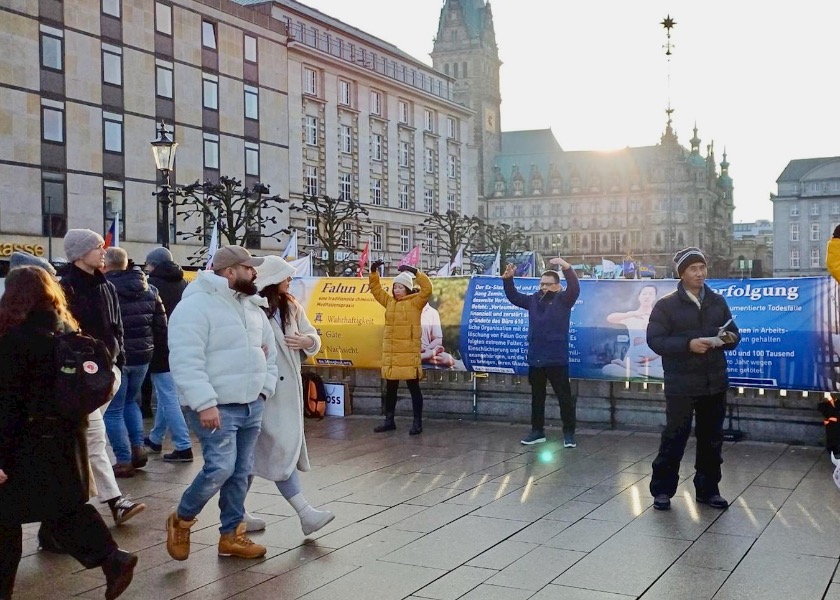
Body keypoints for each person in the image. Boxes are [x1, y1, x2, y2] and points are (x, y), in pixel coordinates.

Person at [0, 267, 137, 600]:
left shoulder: (12, 341)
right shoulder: (64, 332)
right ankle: (112, 558)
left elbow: (7, 406)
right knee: (61, 508)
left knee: (8, 518)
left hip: (23, 444)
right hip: (65, 438)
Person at [166, 245, 278, 561]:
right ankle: (182, 519)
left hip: (251, 403)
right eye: (248, 267)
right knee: (220, 468)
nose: (254, 273)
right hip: (216, 406)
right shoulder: (195, 306)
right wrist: (204, 403)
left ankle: (232, 535)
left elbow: (269, 353)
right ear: (230, 271)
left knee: (241, 472)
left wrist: (264, 390)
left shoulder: (251, 306)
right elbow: (186, 359)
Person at [51, 229, 144, 537]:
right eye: (97, 247)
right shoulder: (64, 287)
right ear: (80, 254)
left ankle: (58, 519)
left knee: (86, 439)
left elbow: (116, 326)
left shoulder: (106, 285)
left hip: (106, 371)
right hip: (80, 376)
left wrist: (117, 361)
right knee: (92, 436)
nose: (103, 251)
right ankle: (112, 501)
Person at [242, 256, 335, 536]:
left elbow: (312, 335)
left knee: (252, 457)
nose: (290, 280)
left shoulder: (291, 307)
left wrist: (308, 341)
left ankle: (236, 514)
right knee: (272, 451)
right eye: (286, 276)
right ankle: (304, 513)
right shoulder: (251, 307)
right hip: (263, 392)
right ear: (273, 278)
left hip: (286, 392)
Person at [646, 247, 740, 512]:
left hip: (714, 382)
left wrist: (725, 339)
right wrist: (688, 344)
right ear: (682, 274)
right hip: (681, 383)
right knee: (675, 436)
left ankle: (709, 490)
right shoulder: (666, 305)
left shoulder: (717, 301)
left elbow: (734, 334)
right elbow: (655, 340)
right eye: (693, 269)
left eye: (702, 268)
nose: (700, 273)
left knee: (712, 438)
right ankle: (662, 490)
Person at [102, 248, 167, 477]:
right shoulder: (149, 288)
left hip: (117, 356)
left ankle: (122, 460)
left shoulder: (104, 289)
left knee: (113, 410)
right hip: (143, 356)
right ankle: (138, 448)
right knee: (131, 402)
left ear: (106, 264)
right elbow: (161, 324)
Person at [502, 258, 580, 447]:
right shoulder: (533, 300)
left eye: (548, 284)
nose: (544, 287)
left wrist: (566, 266)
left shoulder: (564, 300)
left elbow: (575, 287)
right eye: (542, 284)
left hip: (556, 358)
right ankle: (537, 431)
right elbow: (514, 297)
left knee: (564, 398)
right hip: (536, 357)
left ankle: (569, 433)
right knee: (537, 397)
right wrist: (508, 280)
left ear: (557, 286)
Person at [368, 261, 432, 435]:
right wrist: (373, 272)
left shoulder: (416, 302)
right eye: (395, 287)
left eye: (400, 287)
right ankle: (389, 421)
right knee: (390, 390)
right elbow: (376, 290)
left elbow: (427, 289)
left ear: (408, 289)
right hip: (392, 354)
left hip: (408, 355)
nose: (396, 290)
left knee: (414, 389)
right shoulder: (390, 302)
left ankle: (417, 423)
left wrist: (415, 271)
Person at [143, 247, 193, 462]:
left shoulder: (151, 285)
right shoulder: (184, 283)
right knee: (167, 392)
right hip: (182, 344)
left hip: (160, 346)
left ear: (154, 264)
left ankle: (183, 445)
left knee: (168, 395)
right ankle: (156, 438)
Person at [601, 284, 664, 379]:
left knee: (664, 372)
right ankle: (641, 373)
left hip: (654, 364)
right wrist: (633, 314)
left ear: (655, 297)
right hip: (633, 360)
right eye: (644, 294)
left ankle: (637, 370)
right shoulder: (632, 316)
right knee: (607, 368)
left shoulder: (660, 316)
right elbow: (610, 318)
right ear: (639, 297)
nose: (647, 296)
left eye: (650, 294)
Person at [420, 304, 456, 368]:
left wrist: (427, 349)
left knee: (449, 359)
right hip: (408, 351)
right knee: (403, 357)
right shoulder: (406, 310)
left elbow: (438, 340)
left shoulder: (433, 312)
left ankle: (421, 358)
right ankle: (426, 357)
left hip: (425, 351)